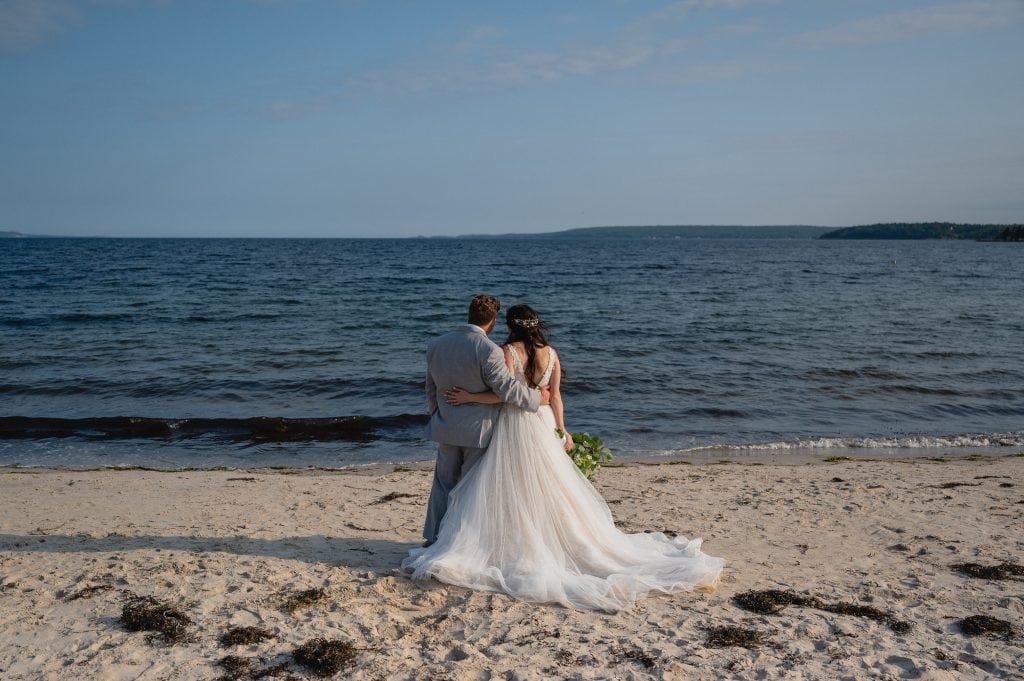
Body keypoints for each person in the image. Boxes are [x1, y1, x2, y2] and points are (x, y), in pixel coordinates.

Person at [404, 304, 725, 612]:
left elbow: (505, 394)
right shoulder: (552, 354)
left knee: (505, 486)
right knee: (549, 487)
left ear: (510, 325)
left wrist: (470, 397)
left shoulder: (507, 352)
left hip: (515, 425)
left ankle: (500, 542)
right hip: (542, 423)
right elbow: (553, 396)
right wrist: (563, 429)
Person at [421, 295, 549, 547]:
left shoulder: (437, 344)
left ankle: (434, 538)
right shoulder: (488, 349)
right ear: (492, 321)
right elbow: (506, 389)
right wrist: (537, 398)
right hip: (477, 430)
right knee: (470, 488)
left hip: (446, 425)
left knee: (443, 484)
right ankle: (461, 541)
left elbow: (430, 388)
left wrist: (438, 414)